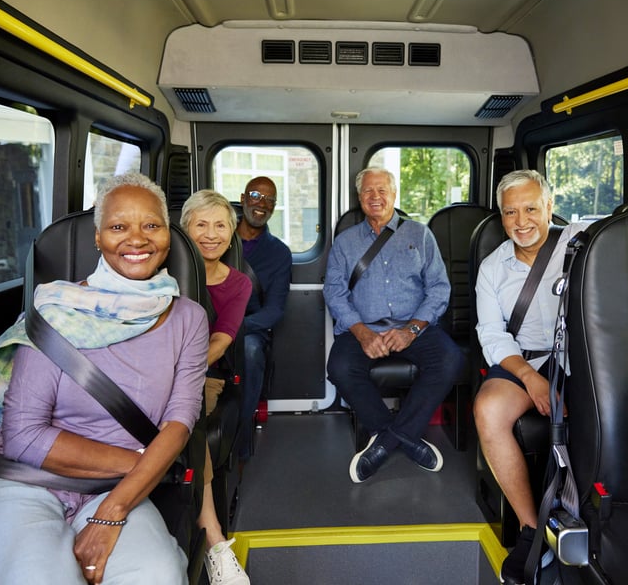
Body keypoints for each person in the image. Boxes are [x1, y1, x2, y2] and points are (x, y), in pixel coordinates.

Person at [0, 172, 209, 585]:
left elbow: (180, 420)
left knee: (158, 577)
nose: (137, 239)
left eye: (151, 225)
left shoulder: (189, 318)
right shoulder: (54, 307)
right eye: (118, 226)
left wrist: (113, 510)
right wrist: (151, 465)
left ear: (167, 234)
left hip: (116, 488)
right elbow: (25, 436)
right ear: (97, 237)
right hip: (22, 478)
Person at [472, 169, 586, 585]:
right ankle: (530, 529)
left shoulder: (581, 244)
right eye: (510, 212)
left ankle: (591, 516)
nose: (521, 221)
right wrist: (530, 376)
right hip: (523, 361)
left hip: (583, 360)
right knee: (488, 410)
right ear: (500, 217)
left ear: (550, 207)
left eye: (531, 209)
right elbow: (492, 333)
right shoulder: (492, 266)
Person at [324, 166, 464, 484]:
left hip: (413, 325)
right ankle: (406, 438)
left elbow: (439, 289)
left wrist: (411, 329)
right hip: (363, 325)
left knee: (450, 359)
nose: (376, 197)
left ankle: (387, 441)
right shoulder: (345, 242)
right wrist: (361, 332)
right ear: (360, 198)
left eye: (382, 190)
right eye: (368, 191)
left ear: (394, 194)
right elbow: (333, 293)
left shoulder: (420, 234)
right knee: (340, 367)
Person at [180, 189, 253, 585]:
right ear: (184, 230)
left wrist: (180, 372)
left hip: (202, 372)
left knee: (187, 421)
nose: (211, 234)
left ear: (231, 233)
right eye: (201, 225)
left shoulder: (238, 284)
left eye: (220, 225)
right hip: (148, 368)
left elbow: (221, 341)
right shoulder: (163, 271)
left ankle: (212, 538)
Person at [233, 176, 292, 463]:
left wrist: (235, 330)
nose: (261, 203)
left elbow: (275, 310)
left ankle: (239, 441)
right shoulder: (218, 237)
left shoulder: (279, 253)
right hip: (204, 325)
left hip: (249, 328)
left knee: (251, 350)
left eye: (269, 199)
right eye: (256, 195)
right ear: (243, 198)